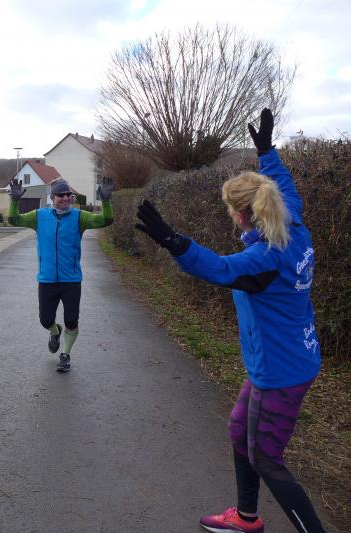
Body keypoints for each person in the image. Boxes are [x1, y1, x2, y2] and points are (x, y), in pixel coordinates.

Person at [135, 109, 324, 533]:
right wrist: (267, 153)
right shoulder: (293, 222)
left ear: (241, 215)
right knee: (240, 432)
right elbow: (286, 185)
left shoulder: (264, 259)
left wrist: (174, 242)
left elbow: (220, 269)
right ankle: (246, 518)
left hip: (280, 371)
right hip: (286, 359)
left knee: (266, 459)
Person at [7, 176, 114, 372]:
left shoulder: (79, 217)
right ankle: (55, 332)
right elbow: (14, 220)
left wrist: (106, 201)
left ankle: (65, 355)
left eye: (68, 195)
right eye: (61, 195)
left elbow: (105, 220)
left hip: (71, 280)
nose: (65, 198)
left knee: (71, 320)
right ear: (52, 197)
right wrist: (14, 201)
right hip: (47, 279)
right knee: (45, 320)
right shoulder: (39, 216)